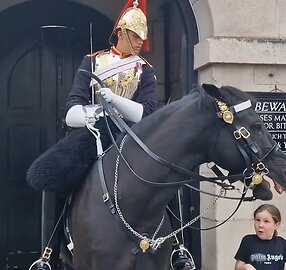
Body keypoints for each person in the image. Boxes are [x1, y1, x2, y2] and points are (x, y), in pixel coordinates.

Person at [27, 1, 194, 269]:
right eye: (136, 36)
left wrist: (115, 102)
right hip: (94, 133)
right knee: (53, 173)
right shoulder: (92, 61)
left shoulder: (145, 70)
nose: (141, 42)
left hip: (132, 136)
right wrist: (96, 114)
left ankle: (177, 247)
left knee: (168, 171)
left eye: (143, 37)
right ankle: (48, 252)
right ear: (121, 32)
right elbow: (71, 109)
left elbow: (149, 113)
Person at [234, 204, 286, 270]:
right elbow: (237, 267)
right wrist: (245, 267)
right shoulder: (248, 241)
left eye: (266, 221)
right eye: (257, 220)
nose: (260, 225)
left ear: (276, 225)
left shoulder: (281, 243)